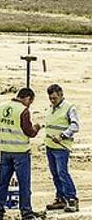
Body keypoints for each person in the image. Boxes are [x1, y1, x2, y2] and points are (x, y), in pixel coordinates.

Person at [0, 88, 43, 220]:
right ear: (28, 98)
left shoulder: (1, 107)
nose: (29, 105)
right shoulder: (23, 111)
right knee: (24, 183)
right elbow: (29, 132)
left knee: (2, 182)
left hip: (5, 151)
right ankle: (26, 211)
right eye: (30, 102)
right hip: (20, 152)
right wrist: (37, 127)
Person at [44, 84, 80, 213]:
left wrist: (63, 135)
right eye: (50, 98)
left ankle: (72, 199)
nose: (52, 100)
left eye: (54, 98)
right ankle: (60, 198)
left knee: (62, 173)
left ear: (61, 95)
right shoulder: (50, 108)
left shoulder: (69, 108)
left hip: (61, 147)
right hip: (50, 146)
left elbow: (75, 126)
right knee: (55, 174)